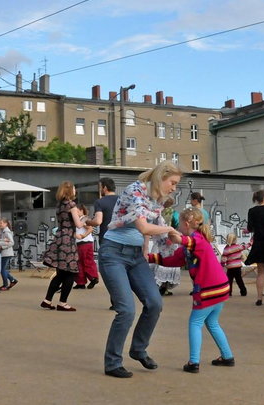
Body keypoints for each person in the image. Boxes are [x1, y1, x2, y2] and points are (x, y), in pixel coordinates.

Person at [99, 161, 180, 378]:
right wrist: (171, 229)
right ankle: (112, 363)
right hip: (113, 254)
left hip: (135, 256)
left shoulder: (155, 200)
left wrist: (151, 247)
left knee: (155, 303)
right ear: (161, 177)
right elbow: (144, 226)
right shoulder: (135, 190)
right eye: (172, 183)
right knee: (126, 310)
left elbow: (150, 231)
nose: (173, 188)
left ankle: (138, 349)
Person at [149, 207, 234, 372]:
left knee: (195, 323)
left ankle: (194, 362)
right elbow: (175, 260)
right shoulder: (195, 241)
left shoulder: (197, 240)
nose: (178, 226)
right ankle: (227, 356)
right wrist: (150, 258)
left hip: (208, 289)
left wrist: (176, 237)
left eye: (179, 224)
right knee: (212, 322)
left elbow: (189, 243)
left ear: (186, 223)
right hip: (220, 288)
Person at [40, 182, 84, 311]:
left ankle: (47, 300)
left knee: (60, 273)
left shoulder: (59, 205)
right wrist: (84, 218)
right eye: (74, 189)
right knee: (71, 273)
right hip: (68, 241)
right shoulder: (72, 205)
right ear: (70, 191)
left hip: (59, 238)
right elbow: (79, 224)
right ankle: (63, 303)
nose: (75, 191)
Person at [150, 198, 180, 296]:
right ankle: (164, 287)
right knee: (167, 264)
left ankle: (157, 286)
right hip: (168, 240)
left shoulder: (156, 213)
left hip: (159, 241)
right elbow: (176, 224)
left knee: (158, 263)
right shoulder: (173, 213)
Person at [73, 204, 99, 290]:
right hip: (84, 243)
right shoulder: (83, 219)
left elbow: (90, 229)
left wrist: (83, 236)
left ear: (81, 210)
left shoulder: (83, 219)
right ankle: (87, 279)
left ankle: (89, 279)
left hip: (83, 242)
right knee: (83, 261)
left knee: (83, 262)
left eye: (76, 211)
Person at [91, 178, 117, 244]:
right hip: (122, 238)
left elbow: (97, 221)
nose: (99, 190)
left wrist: (87, 221)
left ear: (105, 188)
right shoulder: (123, 200)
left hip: (106, 238)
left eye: (100, 187)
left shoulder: (100, 202)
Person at [221, 233, 248, 297]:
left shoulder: (226, 249)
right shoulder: (238, 247)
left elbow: (224, 258)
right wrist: (250, 243)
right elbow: (245, 247)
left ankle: (229, 292)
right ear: (235, 239)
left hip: (230, 267)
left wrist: (222, 265)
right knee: (239, 279)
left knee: (229, 280)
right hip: (238, 266)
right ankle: (243, 291)